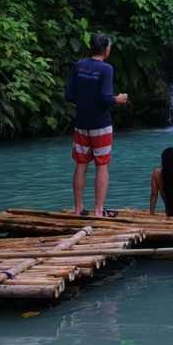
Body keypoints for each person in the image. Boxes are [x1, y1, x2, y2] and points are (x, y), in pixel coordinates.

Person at [65, 32, 127, 217]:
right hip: (100, 124)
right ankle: (99, 210)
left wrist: (85, 100)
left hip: (82, 124)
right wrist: (119, 99)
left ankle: (78, 209)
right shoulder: (106, 69)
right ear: (106, 50)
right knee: (102, 165)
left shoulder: (78, 66)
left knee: (81, 164)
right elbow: (105, 98)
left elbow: (68, 96)